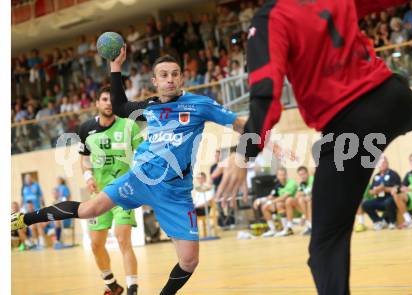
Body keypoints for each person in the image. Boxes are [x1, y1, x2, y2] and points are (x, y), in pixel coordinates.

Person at [214, 1, 412, 294]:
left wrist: (244, 152)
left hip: (351, 126)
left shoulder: (271, 19)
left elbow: (267, 94)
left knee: (326, 245)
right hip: (395, 97)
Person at [12, 51, 245, 295]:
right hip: (140, 179)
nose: (170, 79)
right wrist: (115, 66)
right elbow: (122, 107)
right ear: (154, 81)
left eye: (175, 74)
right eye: (163, 75)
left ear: (182, 78)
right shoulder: (150, 106)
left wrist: (242, 155)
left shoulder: (200, 105)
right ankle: (22, 219)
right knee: (89, 209)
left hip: (176, 192)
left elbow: (244, 126)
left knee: (189, 261)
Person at [78, 86, 143, 295]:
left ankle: (133, 288)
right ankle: (112, 284)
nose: (108, 103)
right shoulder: (86, 128)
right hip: (98, 196)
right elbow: (84, 158)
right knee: (96, 244)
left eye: (111, 100)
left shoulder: (129, 126)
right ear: (97, 103)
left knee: (123, 238)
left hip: (124, 191)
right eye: (104, 99)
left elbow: (142, 154)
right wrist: (88, 177)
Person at [362, 156, 401, 230]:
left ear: (387, 163)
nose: (382, 164)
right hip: (379, 199)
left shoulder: (393, 174)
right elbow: (370, 191)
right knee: (365, 204)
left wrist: (384, 189)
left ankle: (392, 222)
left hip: (391, 199)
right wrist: (375, 191)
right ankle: (378, 221)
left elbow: (397, 188)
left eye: (383, 162)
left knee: (388, 202)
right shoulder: (376, 176)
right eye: (380, 163)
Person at [21, 174, 46, 249]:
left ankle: (42, 242)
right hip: (27, 210)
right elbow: (22, 197)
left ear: (31, 178)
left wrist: (43, 205)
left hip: (36, 209)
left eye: (29, 178)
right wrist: (21, 206)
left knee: (38, 224)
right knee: (31, 227)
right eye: (26, 179)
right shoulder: (23, 187)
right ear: (25, 180)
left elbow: (41, 195)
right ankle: (35, 242)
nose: (28, 180)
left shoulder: (36, 185)